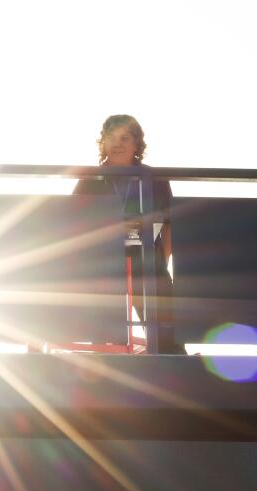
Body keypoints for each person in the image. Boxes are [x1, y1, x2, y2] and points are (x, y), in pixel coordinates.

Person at [72, 114, 180, 353]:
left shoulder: (155, 179)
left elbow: (169, 225)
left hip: (146, 257)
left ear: (136, 143)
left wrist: (162, 262)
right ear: (103, 143)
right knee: (108, 339)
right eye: (111, 138)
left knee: (166, 335)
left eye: (124, 138)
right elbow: (73, 221)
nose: (117, 143)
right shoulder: (89, 179)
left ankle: (173, 362)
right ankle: (110, 365)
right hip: (104, 261)